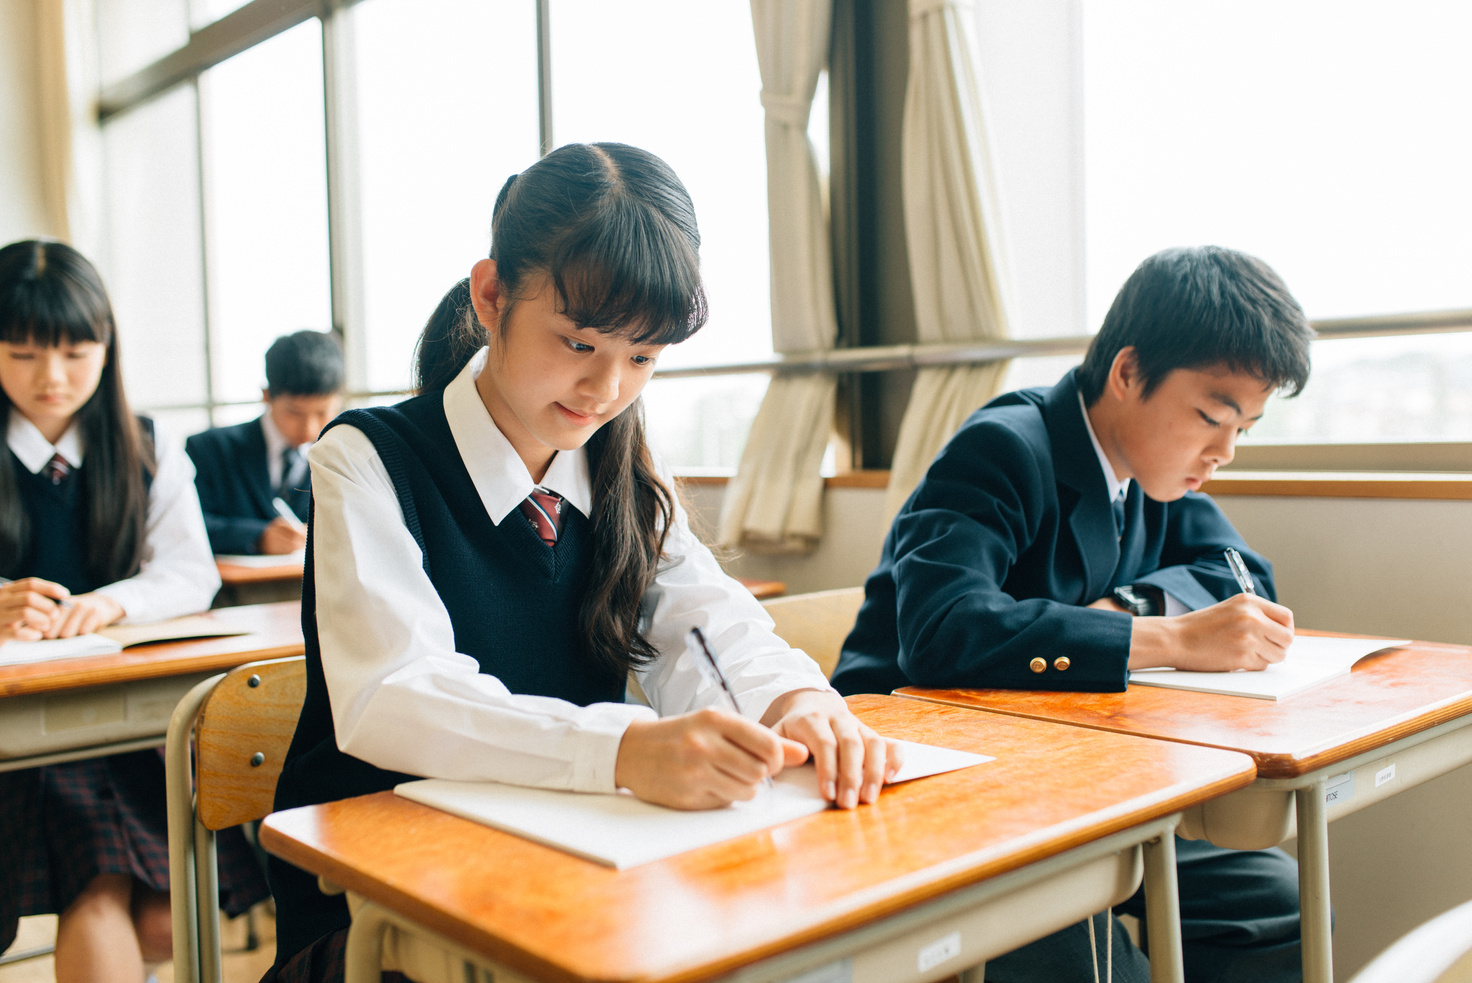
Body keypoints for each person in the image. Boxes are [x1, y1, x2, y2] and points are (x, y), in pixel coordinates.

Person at [264, 143, 902, 983]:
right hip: (382, 897)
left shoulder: (622, 464)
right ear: (491, 296)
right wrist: (624, 750)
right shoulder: (367, 457)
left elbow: (702, 624)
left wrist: (796, 701)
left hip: (570, 861)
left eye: (642, 358)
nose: (606, 388)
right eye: (577, 342)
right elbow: (396, 697)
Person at [831, 245, 1315, 983]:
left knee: (1283, 910)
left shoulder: (1152, 475)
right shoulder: (1006, 447)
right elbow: (943, 629)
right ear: (1128, 374)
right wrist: (1169, 636)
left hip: (1077, 776)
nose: (1225, 451)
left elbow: (1245, 575)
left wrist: (1129, 606)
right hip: (931, 773)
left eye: (1243, 427)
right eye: (1212, 416)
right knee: (1094, 960)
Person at [0, 239, 264, 983]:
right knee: (102, 879)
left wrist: (108, 602)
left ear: (107, 346)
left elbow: (191, 571)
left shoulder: (146, 442)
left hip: (116, 715)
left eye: (76, 352)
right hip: (19, 729)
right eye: (21, 354)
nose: (52, 378)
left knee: (165, 915)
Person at [186, 329, 345, 555]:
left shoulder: (344, 456)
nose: (309, 428)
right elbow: (186, 526)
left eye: (322, 412)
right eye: (294, 413)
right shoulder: (209, 450)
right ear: (266, 395)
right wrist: (258, 538)